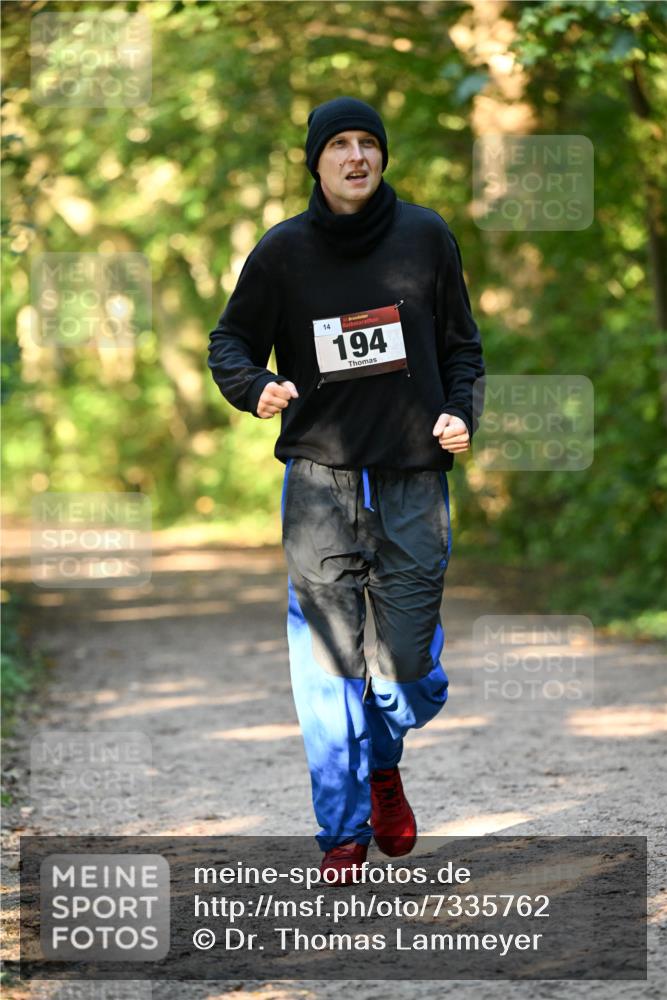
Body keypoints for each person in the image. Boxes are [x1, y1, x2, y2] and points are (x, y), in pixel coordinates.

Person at [208, 96, 485, 884]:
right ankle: (341, 829)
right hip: (319, 480)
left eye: (368, 143)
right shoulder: (282, 252)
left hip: (410, 476)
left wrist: (460, 415)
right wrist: (252, 385)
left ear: (383, 157)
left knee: (405, 672)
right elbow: (228, 341)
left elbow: (463, 348)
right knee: (329, 663)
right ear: (315, 161)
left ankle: (383, 760)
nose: (356, 156)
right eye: (340, 145)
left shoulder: (426, 237)